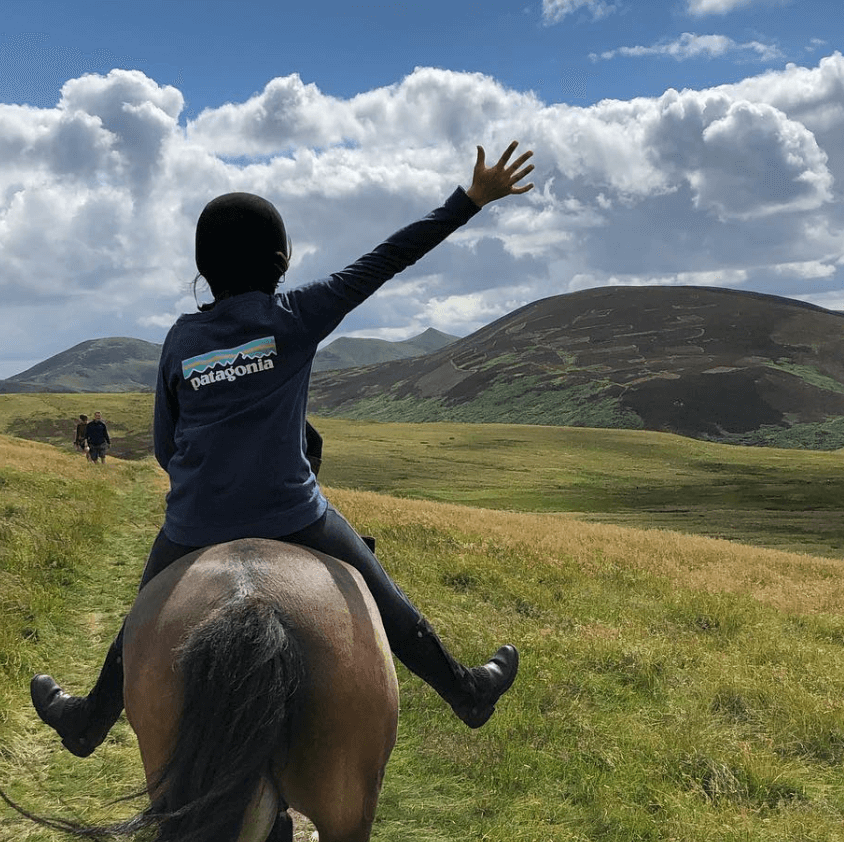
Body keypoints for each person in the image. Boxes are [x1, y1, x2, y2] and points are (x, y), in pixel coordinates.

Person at [32, 140, 534, 758]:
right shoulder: (298, 315)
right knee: (383, 598)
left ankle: (88, 721)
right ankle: (465, 691)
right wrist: (470, 200)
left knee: (143, 620)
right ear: (280, 260)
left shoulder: (181, 339)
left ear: (204, 266)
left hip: (195, 524)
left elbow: (165, 446)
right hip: (294, 518)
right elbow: (389, 258)